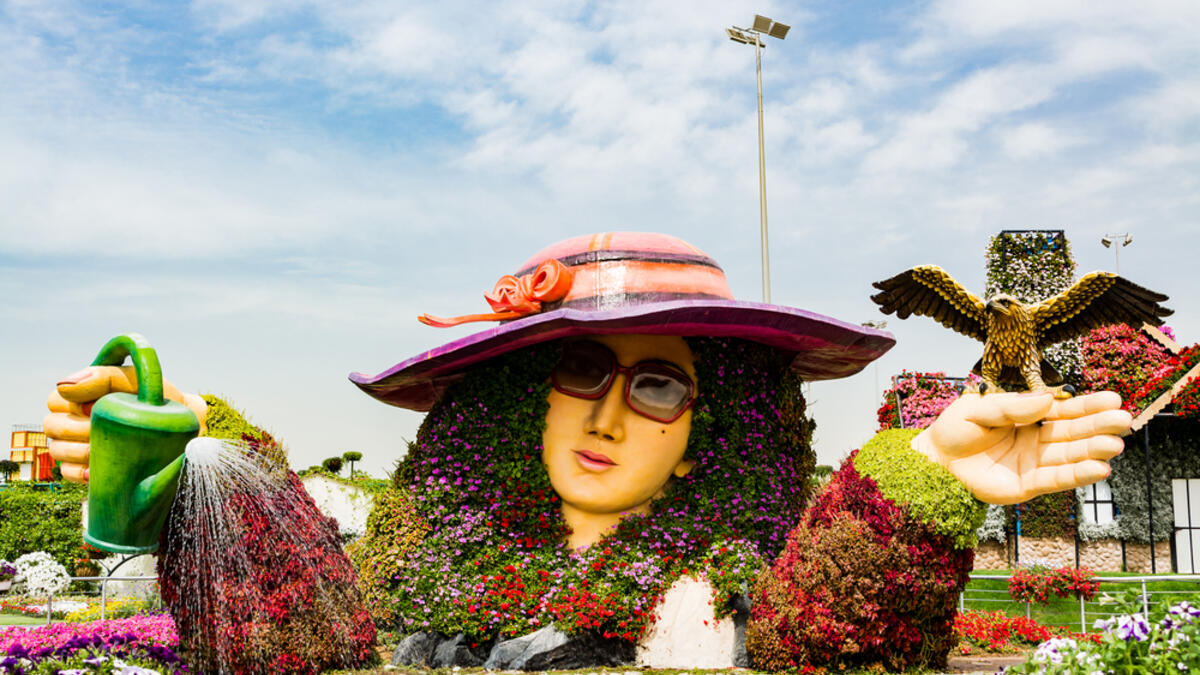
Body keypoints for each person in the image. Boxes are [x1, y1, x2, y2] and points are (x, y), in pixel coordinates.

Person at [43, 232, 1130, 669]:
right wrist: (204, 471)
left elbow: (831, 652)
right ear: (519, 398)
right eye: (575, 371)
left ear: (714, 425)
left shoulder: (745, 601)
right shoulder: (408, 580)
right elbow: (303, 646)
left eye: (658, 382)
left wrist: (924, 476)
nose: (607, 416)